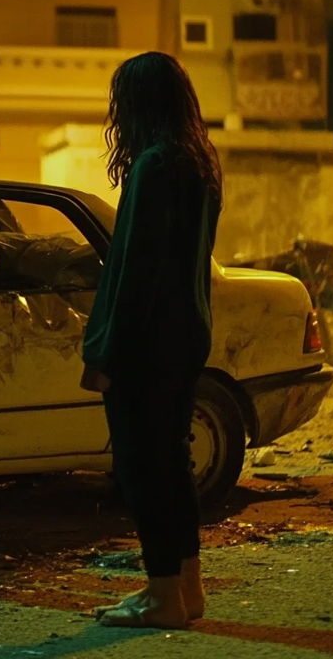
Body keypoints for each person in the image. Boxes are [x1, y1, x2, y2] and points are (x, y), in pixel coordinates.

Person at [80, 51, 222, 630]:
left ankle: (162, 594)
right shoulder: (199, 167)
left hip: (145, 347)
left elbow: (135, 270)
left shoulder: (153, 167)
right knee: (174, 463)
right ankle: (186, 589)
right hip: (187, 338)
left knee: (143, 470)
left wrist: (107, 353)